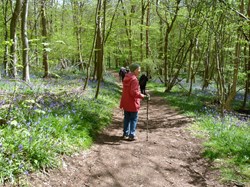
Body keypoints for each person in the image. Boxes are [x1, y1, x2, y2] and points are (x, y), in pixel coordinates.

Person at [119, 63, 146, 141]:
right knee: (133, 119)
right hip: (132, 103)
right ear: (134, 70)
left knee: (127, 118)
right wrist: (142, 95)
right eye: (139, 69)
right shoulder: (134, 79)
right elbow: (133, 92)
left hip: (125, 102)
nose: (140, 71)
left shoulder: (126, 77)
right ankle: (132, 135)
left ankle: (125, 134)